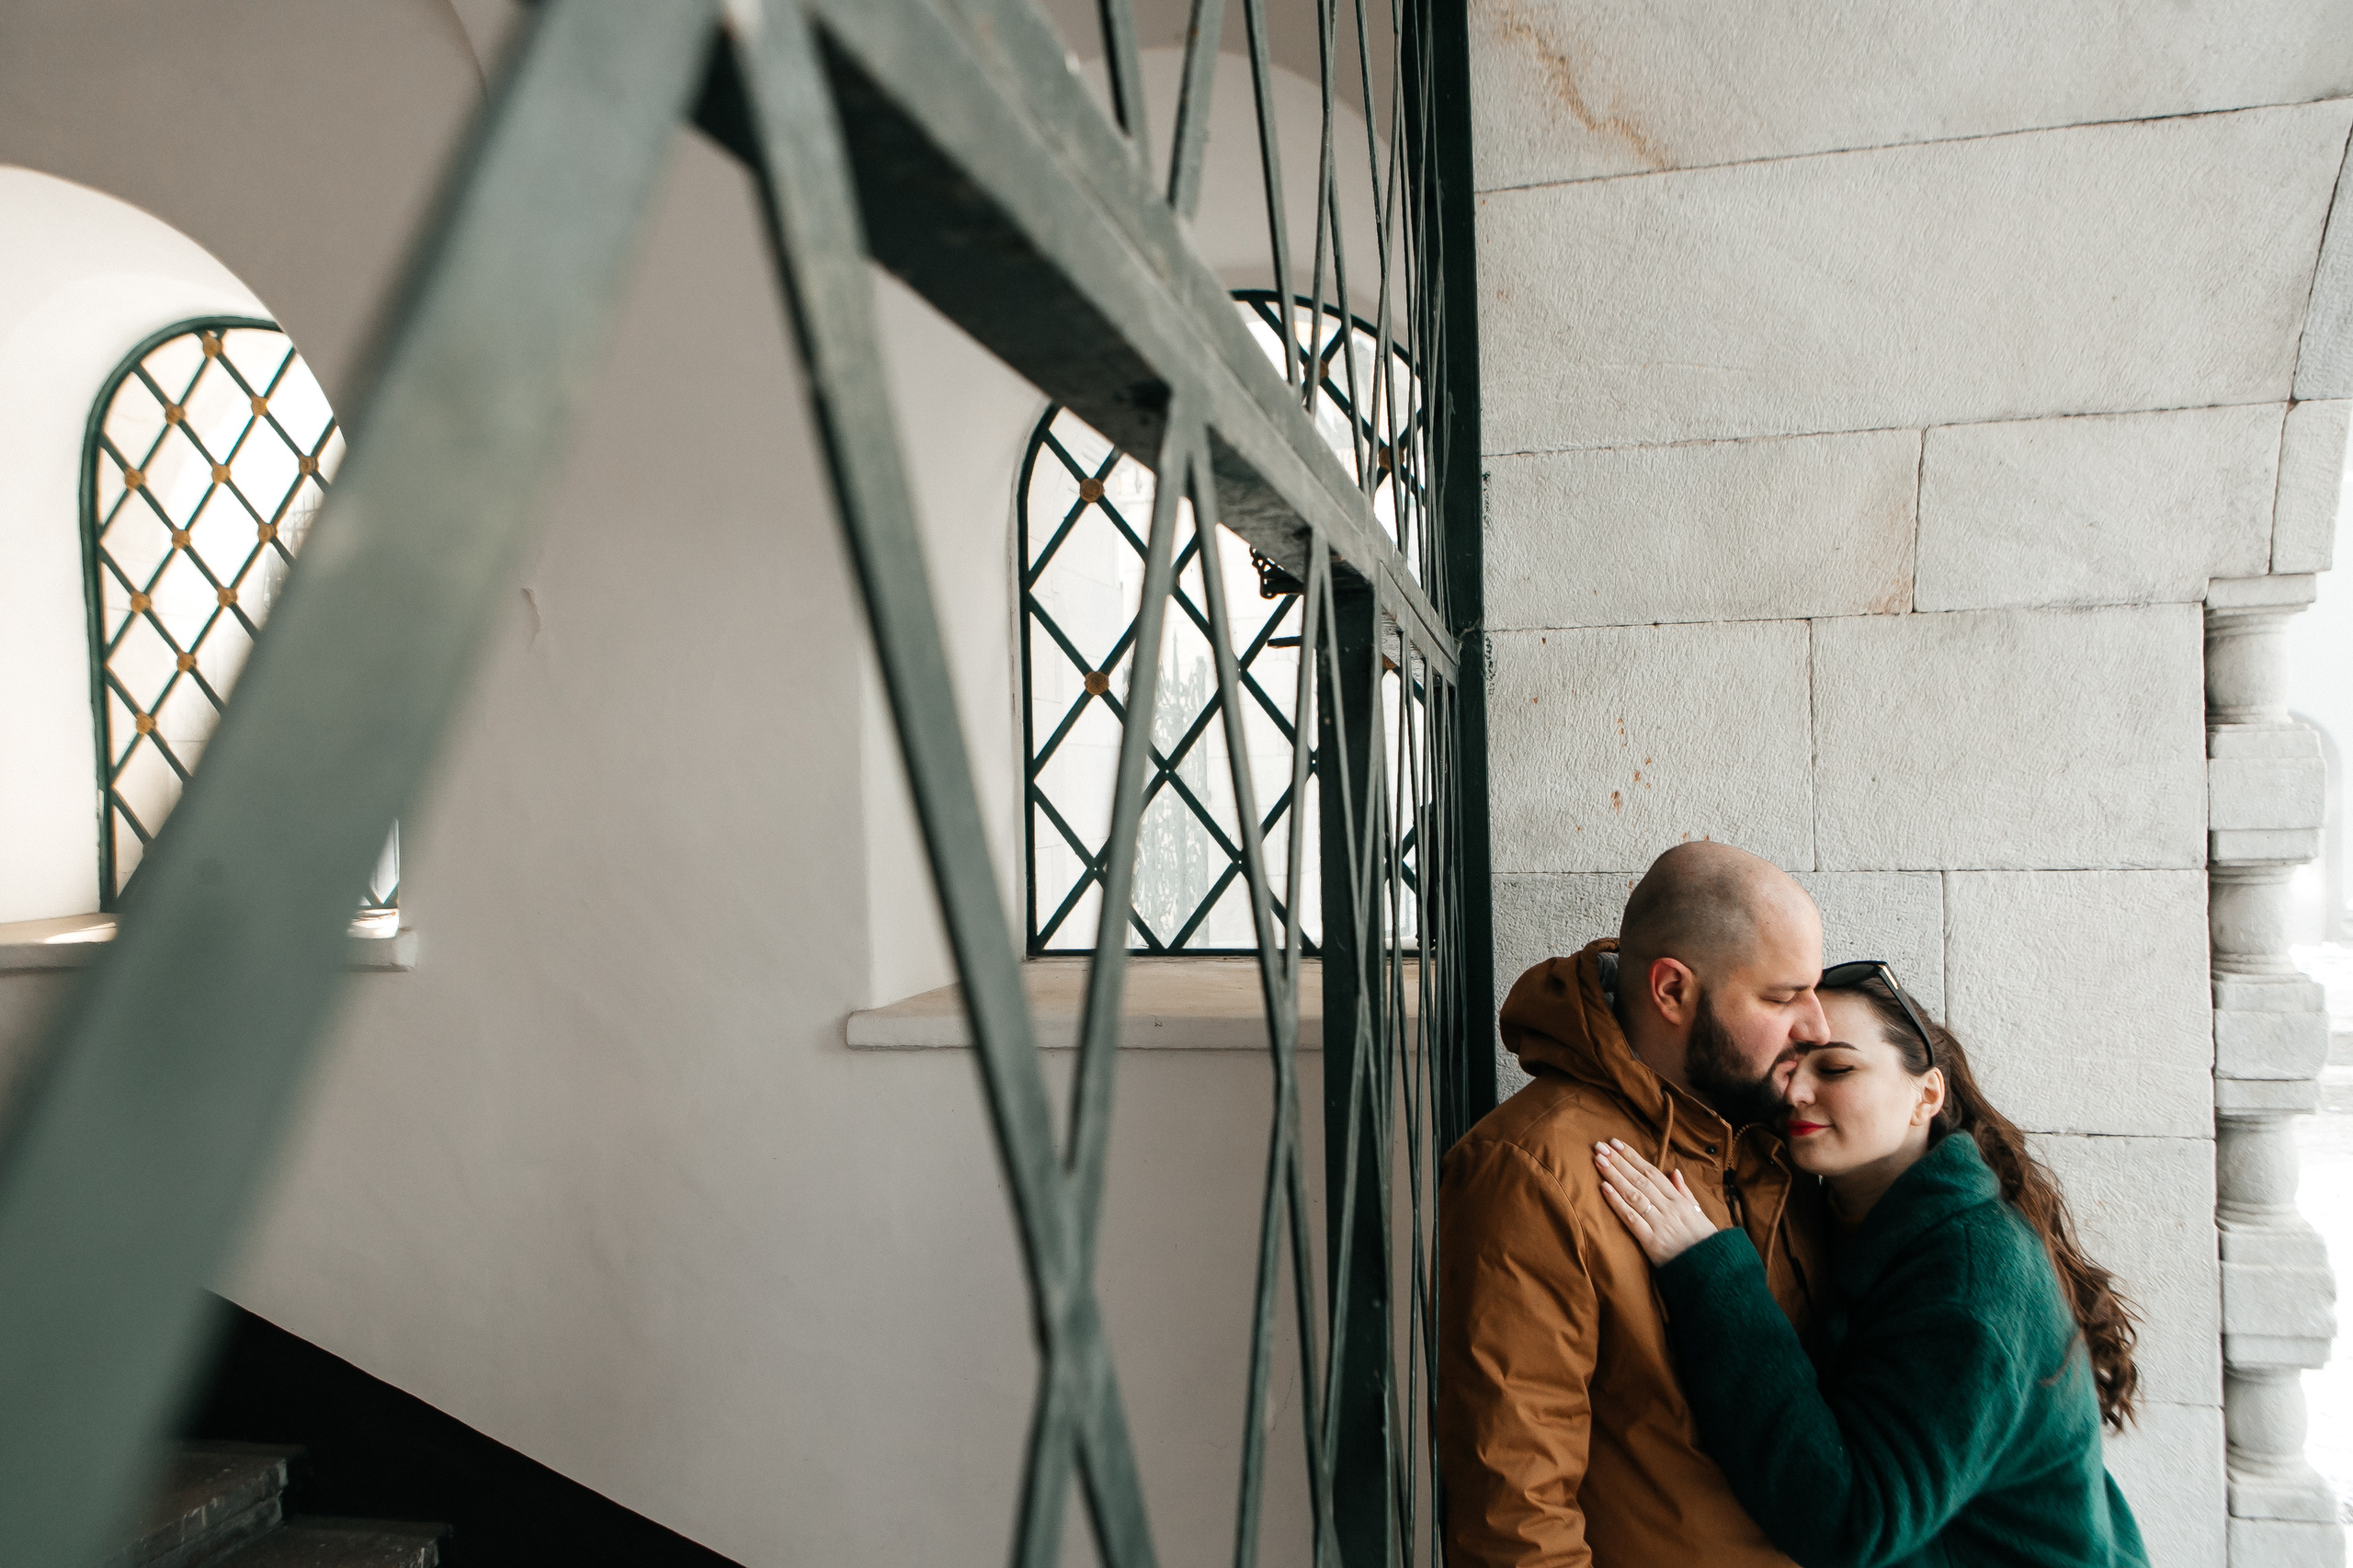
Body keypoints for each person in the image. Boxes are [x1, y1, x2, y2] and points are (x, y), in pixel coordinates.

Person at [1594, 964, 2147, 1568]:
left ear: (1927, 1094)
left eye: (1835, 1068)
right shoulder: (1856, 1219)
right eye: (1788, 1066)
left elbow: (1849, 1521)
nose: (1796, 1092)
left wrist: (1710, 1275)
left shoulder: (1969, 1278)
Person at [1438, 842, 1833, 1566]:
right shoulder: (1533, 1170)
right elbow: (1516, 1516)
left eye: (1814, 990)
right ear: (1673, 992)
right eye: (1782, 998)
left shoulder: (1773, 1139)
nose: (1817, 1027)